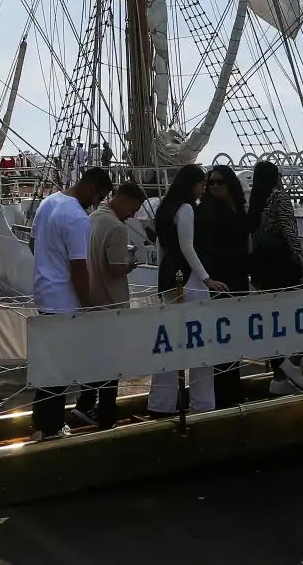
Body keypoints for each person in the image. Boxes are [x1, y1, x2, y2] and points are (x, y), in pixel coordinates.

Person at [29, 167, 109, 439]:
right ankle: (50, 428)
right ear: (90, 188)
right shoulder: (77, 217)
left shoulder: (48, 202)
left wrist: (49, 265)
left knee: (49, 365)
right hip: (64, 300)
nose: (96, 204)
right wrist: (89, 304)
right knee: (61, 368)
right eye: (98, 197)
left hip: (44, 293)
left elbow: (32, 242)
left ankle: (41, 423)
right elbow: (79, 268)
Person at [147, 164, 225, 417]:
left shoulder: (165, 209)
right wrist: (207, 279)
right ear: (192, 184)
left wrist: (162, 279)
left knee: (168, 345)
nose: (204, 187)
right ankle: (202, 404)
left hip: (168, 278)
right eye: (201, 183)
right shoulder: (187, 209)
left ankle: (161, 404)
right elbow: (187, 247)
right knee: (200, 344)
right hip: (189, 280)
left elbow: (163, 248)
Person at [75, 181, 144, 426]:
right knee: (111, 363)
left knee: (93, 358)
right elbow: (115, 269)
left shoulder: (93, 217)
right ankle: (105, 412)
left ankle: (84, 405)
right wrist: (130, 263)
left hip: (90, 299)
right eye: (133, 209)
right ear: (124, 200)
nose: (133, 215)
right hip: (110, 302)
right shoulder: (116, 227)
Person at [247, 160, 303, 394]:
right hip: (283, 267)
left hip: (263, 270)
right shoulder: (279, 198)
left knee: (276, 323)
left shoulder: (254, 203)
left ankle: (279, 380)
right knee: (300, 320)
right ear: (275, 178)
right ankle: (291, 366)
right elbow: (290, 232)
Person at [195, 165, 251, 408]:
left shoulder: (238, 207)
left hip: (238, 278)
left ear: (230, 184)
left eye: (219, 182)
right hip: (220, 280)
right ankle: (223, 395)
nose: (214, 186)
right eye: (211, 183)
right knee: (222, 338)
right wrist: (208, 278)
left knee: (234, 337)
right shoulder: (206, 210)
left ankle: (233, 389)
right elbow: (202, 247)